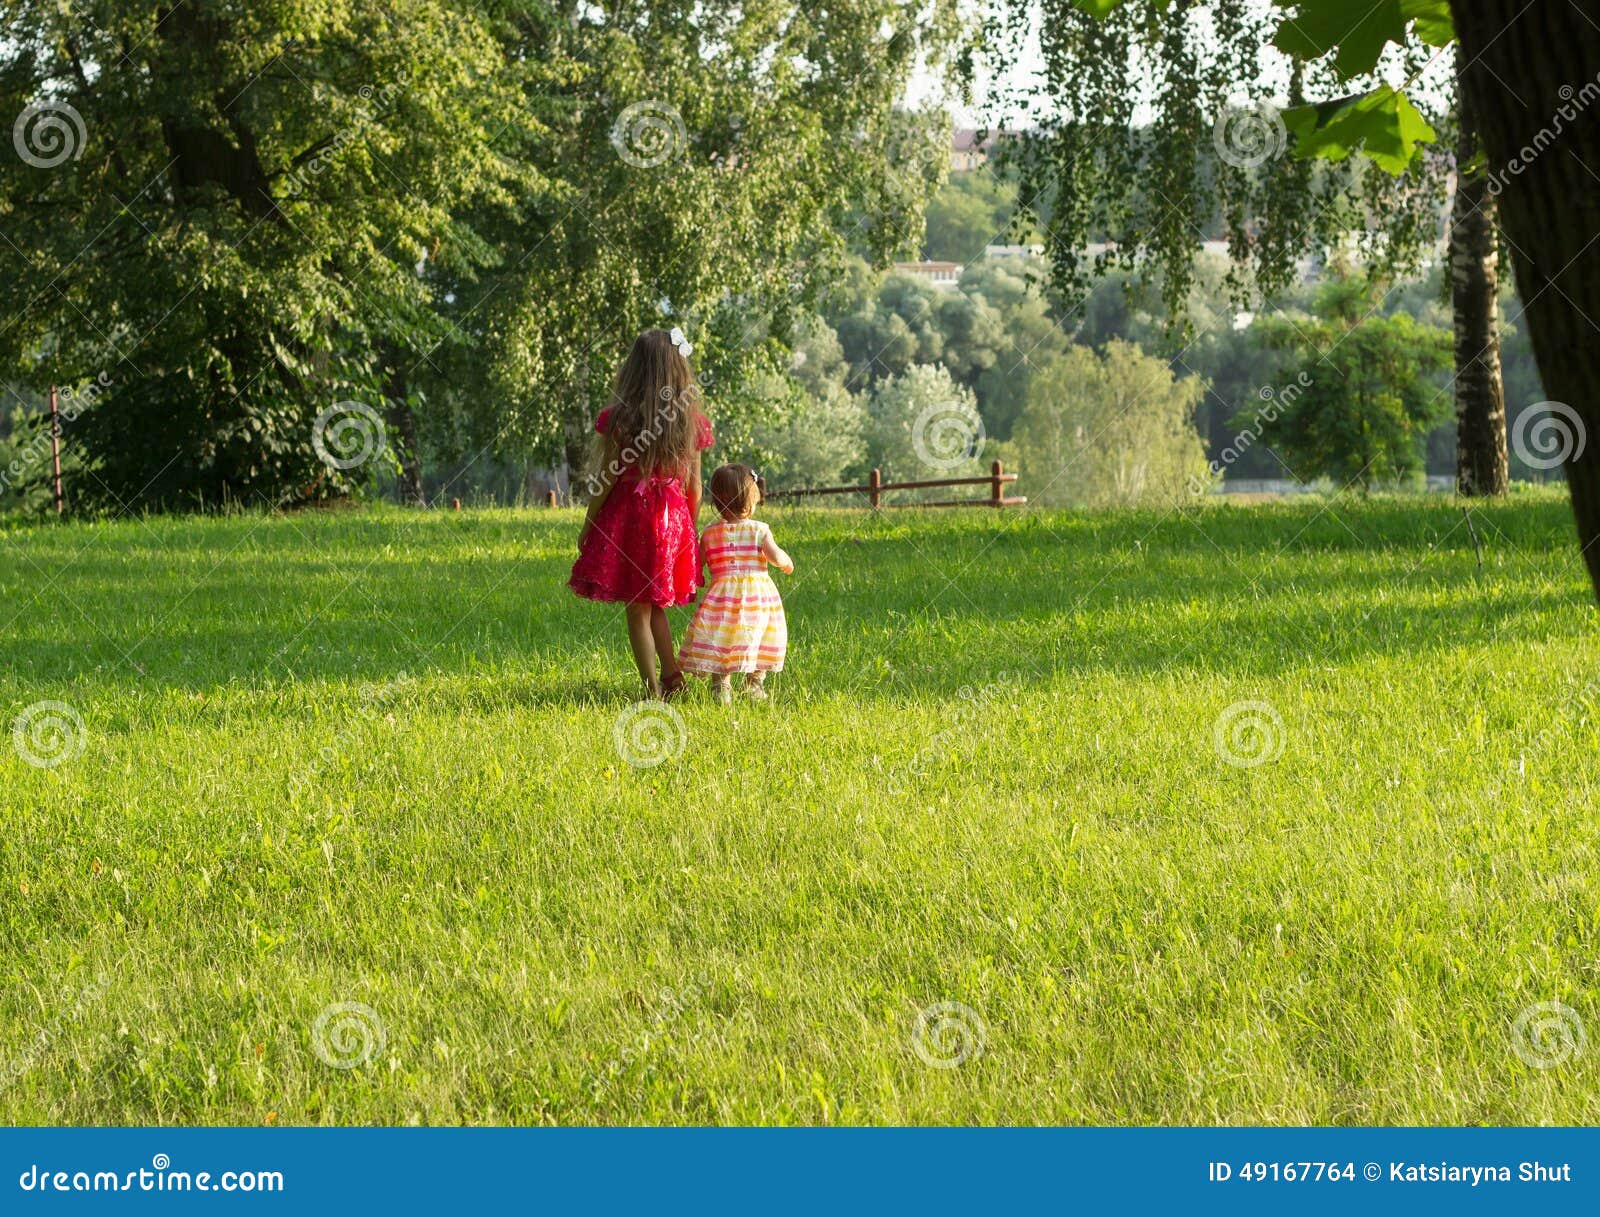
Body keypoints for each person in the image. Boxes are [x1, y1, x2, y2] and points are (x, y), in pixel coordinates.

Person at [569, 328, 712, 699]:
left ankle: (653, 690)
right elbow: (695, 487)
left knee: (639, 608)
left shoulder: (620, 420)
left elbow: (606, 478)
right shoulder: (691, 422)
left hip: (631, 519)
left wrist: (589, 523)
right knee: (652, 601)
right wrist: (688, 531)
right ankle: (672, 677)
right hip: (673, 519)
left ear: (634, 370)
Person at [677, 463, 792, 703]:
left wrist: (691, 580)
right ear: (751, 499)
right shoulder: (760, 530)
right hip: (756, 599)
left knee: (723, 637)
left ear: (717, 501)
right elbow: (775, 555)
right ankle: (754, 684)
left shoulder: (709, 533)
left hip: (721, 598)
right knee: (760, 635)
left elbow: (698, 563)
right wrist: (784, 561)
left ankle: (721, 685)